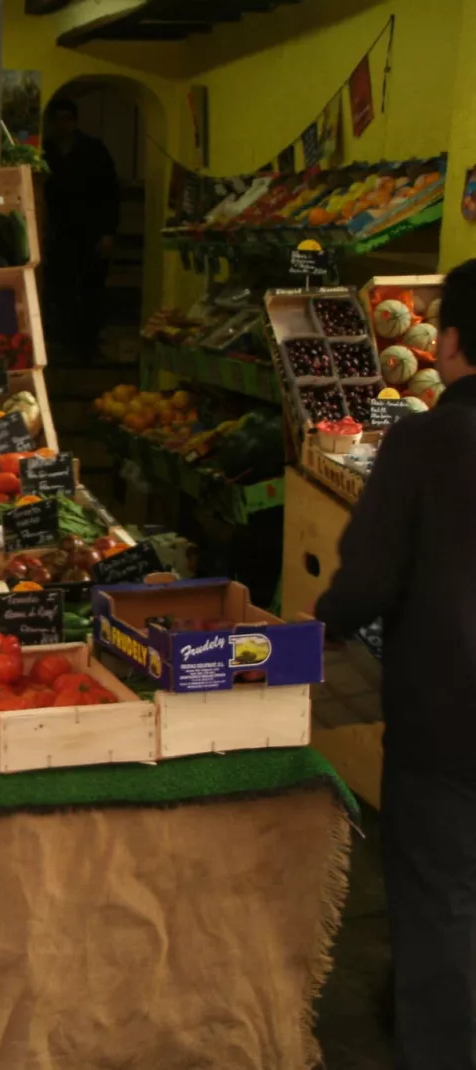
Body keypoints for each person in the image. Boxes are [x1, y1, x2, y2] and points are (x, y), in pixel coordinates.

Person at [315, 259, 476, 1069]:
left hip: (449, 715)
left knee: (441, 896)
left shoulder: (429, 440)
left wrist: (327, 627)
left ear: (447, 344)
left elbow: (371, 574)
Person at [42, 97, 120, 360]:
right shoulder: (44, 152)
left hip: (91, 230)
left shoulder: (94, 150)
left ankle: (87, 345)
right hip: (57, 232)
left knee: (92, 288)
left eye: (67, 119)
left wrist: (108, 232)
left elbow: (110, 192)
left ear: (74, 121)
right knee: (59, 288)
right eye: (57, 119)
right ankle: (61, 343)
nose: (62, 125)